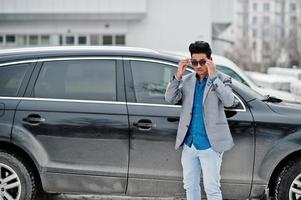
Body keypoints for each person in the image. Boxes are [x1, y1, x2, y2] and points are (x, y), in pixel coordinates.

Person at [165, 41, 235, 200]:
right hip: (189, 144)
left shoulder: (222, 79)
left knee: (212, 189)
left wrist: (213, 77)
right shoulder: (187, 80)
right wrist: (177, 76)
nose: (198, 66)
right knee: (190, 186)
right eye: (194, 62)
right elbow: (170, 98)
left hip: (210, 145)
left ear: (210, 60)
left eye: (202, 62)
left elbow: (229, 101)